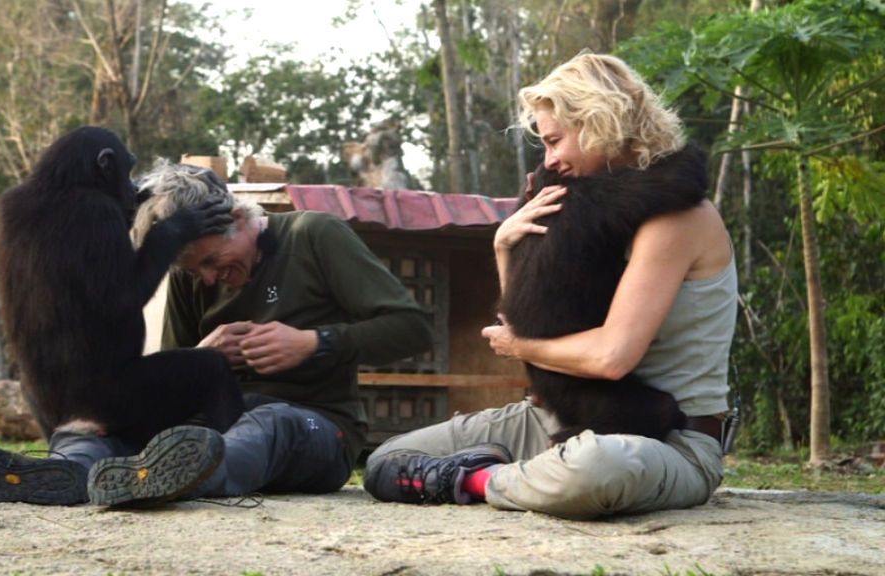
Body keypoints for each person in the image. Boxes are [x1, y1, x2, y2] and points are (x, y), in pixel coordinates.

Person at [363, 53, 737, 519]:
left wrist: (516, 344)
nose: (551, 160)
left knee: (594, 467)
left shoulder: (676, 219)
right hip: (562, 418)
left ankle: (479, 479)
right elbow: (535, 315)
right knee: (387, 460)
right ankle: (526, 474)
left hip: (669, 441)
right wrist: (505, 245)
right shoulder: (593, 211)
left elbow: (610, 357)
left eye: (555, 141)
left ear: (599, 121)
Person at [86, 160, 433, 505]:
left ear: (237, 219)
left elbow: (413, 329)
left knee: (272, 424)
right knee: (97, 425)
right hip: (217, 421)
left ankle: (180, 475)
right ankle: (75, 468)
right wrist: (199, 358)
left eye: (210, 260)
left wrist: (314, 343)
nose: (206, 279)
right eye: (194, 271)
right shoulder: (187, 277)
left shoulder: (312, 236)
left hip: (319, 428)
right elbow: (172, 390)